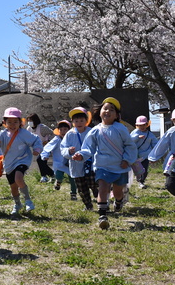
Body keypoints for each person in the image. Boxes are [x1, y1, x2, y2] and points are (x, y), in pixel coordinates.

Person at [73, 97, 137, 230]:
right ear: (100, 111)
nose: (107, 111)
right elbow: (88, 147)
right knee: (103, 188)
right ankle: (102, 216)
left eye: (111, 109)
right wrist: (81, 155)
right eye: (105, 108)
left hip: (119, 166)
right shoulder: (95, 130)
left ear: (116, 115)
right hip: (102, 166)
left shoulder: (121, 129)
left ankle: (118, 201)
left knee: (118, 191)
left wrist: (127, 160)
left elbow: (130, 145)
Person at [0, 107, 42, 216]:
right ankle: (17, 204)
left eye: (15, 122)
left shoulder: (24, 133)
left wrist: (37, 149)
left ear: (20, 122)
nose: (12, 125)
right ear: (4, 123)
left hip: (23, 160)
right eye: (9, 122)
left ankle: (28, 200)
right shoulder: (2, 134)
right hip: (9, 164)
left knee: (18, 178)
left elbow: (36, 140)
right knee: (13, 187)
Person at [61, 107, 97, 210]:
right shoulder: (70, 134)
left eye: (82, 120)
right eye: (76, 121)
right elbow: (63, 148)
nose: (79, 123)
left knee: (94, 184)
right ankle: (88, 205)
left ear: (87, 121)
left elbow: (96, 146)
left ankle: (100, 200)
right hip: (76, 166)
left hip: (90, 164)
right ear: (72, 122)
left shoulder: (92, 132)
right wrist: (68, 151)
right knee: (82, 188)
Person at [41, 120, 76, 199]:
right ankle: (58, 181)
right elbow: (47, 147)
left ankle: (73, 193)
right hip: (59, 163)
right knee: (59, 175)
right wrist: (45, 155)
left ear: (69, 130)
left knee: (73, 178)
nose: (63, 131)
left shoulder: (72, 139)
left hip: (70, 162)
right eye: (61, 129)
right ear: (58, 131)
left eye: (65, 129)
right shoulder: (57, 139)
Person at [25, 112, 55, 182]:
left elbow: (53, 133)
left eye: (31, 121)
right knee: (42, 162)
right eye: (28, 121)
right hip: (38, 148)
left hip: (46, 147)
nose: (29, 122)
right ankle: (53, 175)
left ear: (35, 120)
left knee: (40, 160)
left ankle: (44, 176)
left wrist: (49, 141)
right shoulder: (29, 129)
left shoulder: (42, 128)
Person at [131, 115, 158, 189]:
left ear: (147, 125)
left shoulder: (150, 134)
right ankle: (139, 180)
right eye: (140, 125)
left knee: (144, 170)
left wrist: (155, 153)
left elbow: (155, 144)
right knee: (138, 170)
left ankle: (141, 181)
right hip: (136, 156)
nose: (142, 127)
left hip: (146, 155)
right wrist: (137, 137)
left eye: (143, 125)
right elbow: (129, 141)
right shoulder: (135, 132)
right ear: (136, 125)